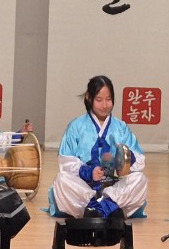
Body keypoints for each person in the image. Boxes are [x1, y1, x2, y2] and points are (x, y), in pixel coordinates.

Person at [48, 75, 148, 218]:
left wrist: (126, 160)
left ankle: (101, 209)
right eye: (99, 100)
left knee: (139, 179)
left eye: (108, 99)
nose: (105, 105)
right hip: (84, 186)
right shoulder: (76, 126)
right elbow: (65, 162)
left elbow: (139, 161)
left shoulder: (121, 127)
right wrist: (88, 172)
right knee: (62, 179)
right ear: (89, 98)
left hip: (114, 188)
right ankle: (97, 207)